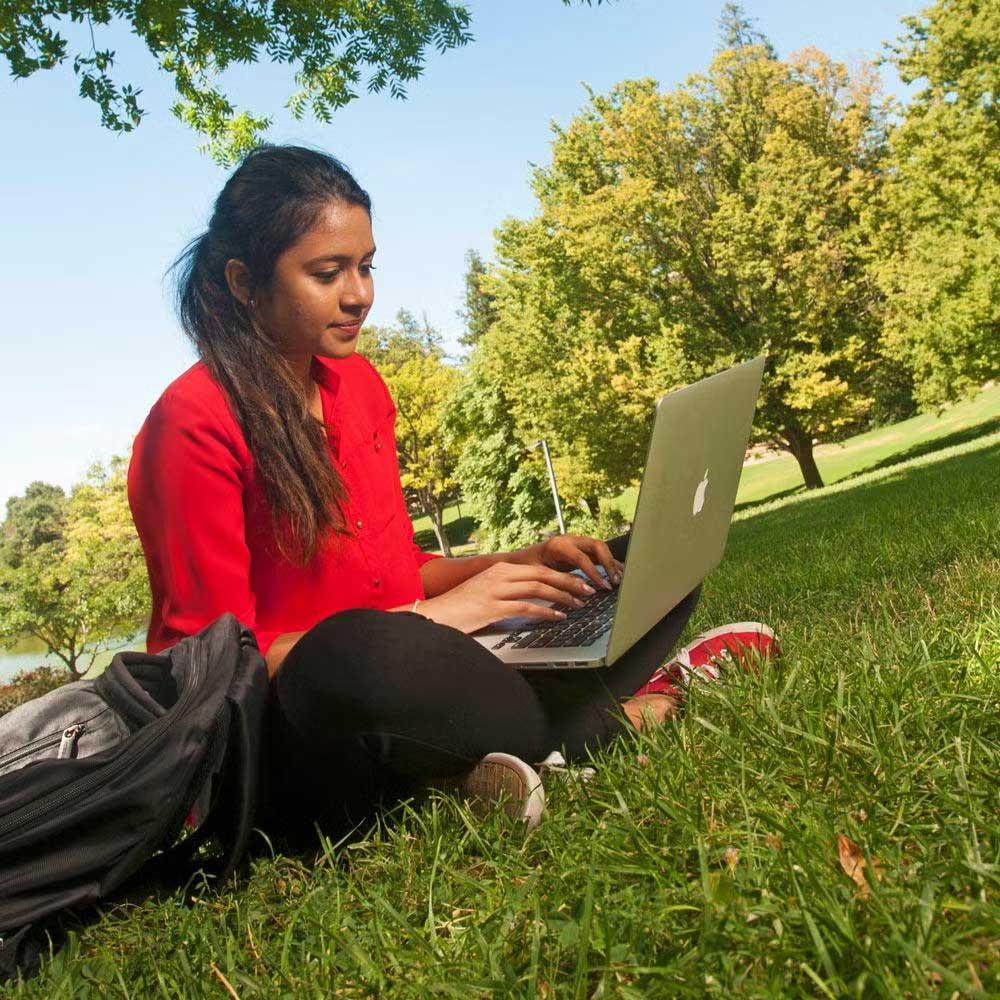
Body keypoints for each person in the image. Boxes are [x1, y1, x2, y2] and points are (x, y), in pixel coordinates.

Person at [128, 144, 777, 844]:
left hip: (424, 669)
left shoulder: (359, 389)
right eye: (328, 272)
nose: (360, 294)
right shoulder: (190, 425)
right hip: (301, 717)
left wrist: (512, 566)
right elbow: (208, 668)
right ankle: (621, 717)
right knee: (355, 653)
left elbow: (398, 571)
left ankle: (494, 762)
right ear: (243, 282)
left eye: (366, 265)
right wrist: (436, 620)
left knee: (632, 564)